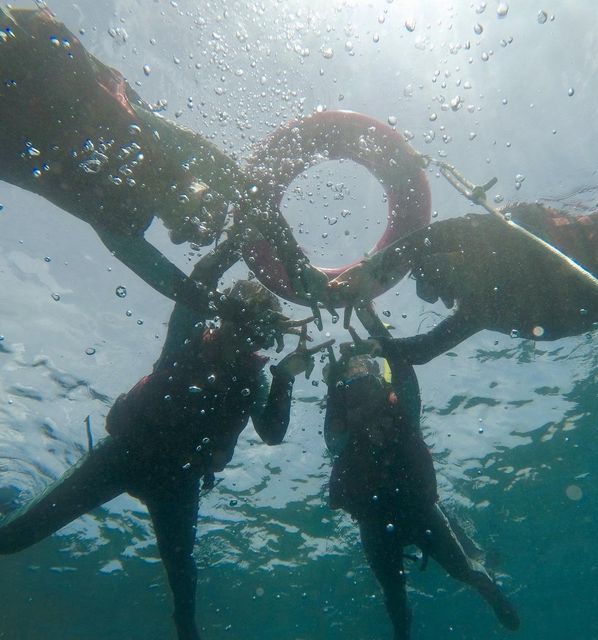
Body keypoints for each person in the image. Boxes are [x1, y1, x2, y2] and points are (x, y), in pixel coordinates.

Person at [0, 274, 333, 640]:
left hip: (177, 480)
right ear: (224, 319)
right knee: (12, 537)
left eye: (251, 336)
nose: (240, 342)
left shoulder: (252, 380)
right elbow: (190, 292)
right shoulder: (186, 339)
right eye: (238, 327)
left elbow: (272, 434)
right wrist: (230, 246)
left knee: (183, 583)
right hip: (123, 454)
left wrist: (284, 376)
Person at [0, 6, 324, 312]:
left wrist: (222, 299)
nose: (195, 218)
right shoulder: (165, 150)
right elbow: (244, 190)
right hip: (40, 67)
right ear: (200, 183)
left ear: (171, 229)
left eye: (187, 229)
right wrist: (293, 259)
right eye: (208, 204)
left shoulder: (122, 222)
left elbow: (178, 288)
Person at [323, 345, 520, 639]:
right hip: (383, 519)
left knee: (462, 570)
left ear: (377, 374)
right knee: (395, 594)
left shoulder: (397, 408)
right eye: (350, 371)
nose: (357, 374)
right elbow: (335, 439)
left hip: (414, 511)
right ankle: (403, 634)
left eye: (362, 366)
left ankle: (491, 591)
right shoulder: (343, 419)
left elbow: (406, 379)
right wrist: (334, 388)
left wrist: (383, 345)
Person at [336, 203, 598, 364]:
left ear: (453, 259)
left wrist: (375, 268)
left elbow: (435, 235)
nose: (446, 297)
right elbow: (425, 349)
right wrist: (375, 347)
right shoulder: (481, 310)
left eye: (438, 282)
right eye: (438, 292)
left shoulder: (493, 242)